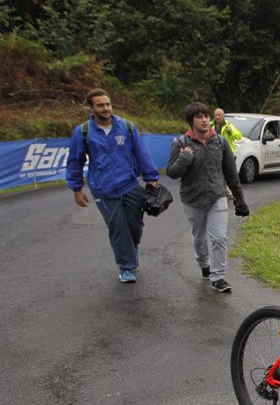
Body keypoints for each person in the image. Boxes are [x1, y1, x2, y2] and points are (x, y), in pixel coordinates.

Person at [66, 89, 161, 284]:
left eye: (107, 104)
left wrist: (151, 177)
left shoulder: (127, 127)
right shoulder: (83, 132)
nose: (106, 108)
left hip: (130, 185)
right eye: (100, 105)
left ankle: (128, 254)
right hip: (103, 189)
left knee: (134, 226)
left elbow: (141, 153)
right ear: (91, 108)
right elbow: (75, 161)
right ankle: (126, 267)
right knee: (117, 227)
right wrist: (77, 188)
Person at [166, 102, 249, 293]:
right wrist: (184, 160)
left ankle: (218, 276)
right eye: (199, 117)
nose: (204, 120)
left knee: (219, 238)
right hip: (192, 199)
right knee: (199, 239)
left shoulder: (220, 142)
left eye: (206, 116)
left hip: (217, 197)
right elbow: (171, 172)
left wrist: (240, 200)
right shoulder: (181, 143)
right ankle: (204, 264)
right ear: (191, 121)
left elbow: (231, 174)